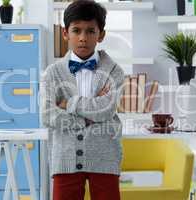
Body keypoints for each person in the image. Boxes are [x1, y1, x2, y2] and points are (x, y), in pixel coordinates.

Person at [40, 0, 125, 199]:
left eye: (90, 31)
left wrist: (68, 104)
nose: (83, 38)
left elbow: (107, 109)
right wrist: (86, 119)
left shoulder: (114, 71)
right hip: (65, 158)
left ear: (101, 35)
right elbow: (47, 114)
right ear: (65, 33)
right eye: (76, 30)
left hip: (105, 157)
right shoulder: (52, 73)